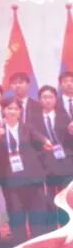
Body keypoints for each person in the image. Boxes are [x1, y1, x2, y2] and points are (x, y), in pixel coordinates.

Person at [0, 99, 52, 245]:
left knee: (37, 215)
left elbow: (39, 137)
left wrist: (45, 141)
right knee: (16, 216)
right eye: (9, 108)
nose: (12, 112)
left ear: (20, 112)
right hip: (11, 181)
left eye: (15, 109)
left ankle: (39, 246)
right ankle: (21, 246)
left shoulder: (27, 128)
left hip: (32, 179)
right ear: (3, 110)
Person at [39, 85, 73, 230]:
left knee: (65, 199)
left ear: (55, 99)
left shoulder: (65, 116)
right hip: (47, 165)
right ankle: (53, 230)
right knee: (50, 200)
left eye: (51, 97)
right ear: (40, 100)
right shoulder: (34, 119)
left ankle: (67, 228)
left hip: (66, 163)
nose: (48, 100)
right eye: (44, 97)